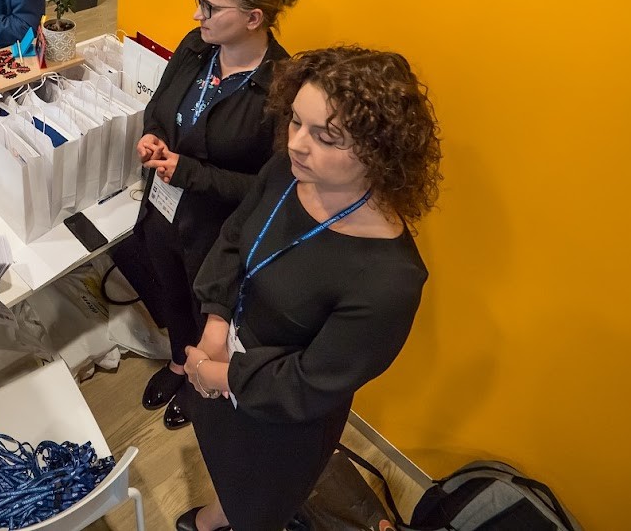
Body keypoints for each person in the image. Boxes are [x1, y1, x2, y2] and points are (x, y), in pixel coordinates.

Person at [179, 46, 441, 531]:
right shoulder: (287, 172)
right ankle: (220, 513)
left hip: (280, 419)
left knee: (258, 501)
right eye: (296, 122)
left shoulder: (390, 280)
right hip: (220, 359)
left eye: (325, 136)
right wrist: (215, 326)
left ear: (380, 152)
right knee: (223, 463)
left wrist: (213, 373)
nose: (297, 143)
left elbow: (308, 384)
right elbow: (235, 237)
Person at [133, 0, 301, 432]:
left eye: (209, 7)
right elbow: (160, 107)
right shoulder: (196, 46)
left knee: (200, 305)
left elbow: (271, 190)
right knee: (167, 288)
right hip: (163, 209)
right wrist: (153, 135)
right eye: (198, 0)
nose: (196, 15)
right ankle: (178, 361)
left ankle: (197, 381)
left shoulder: (282, 88)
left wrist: (191, 173)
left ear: (253, 18)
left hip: (217, 232)